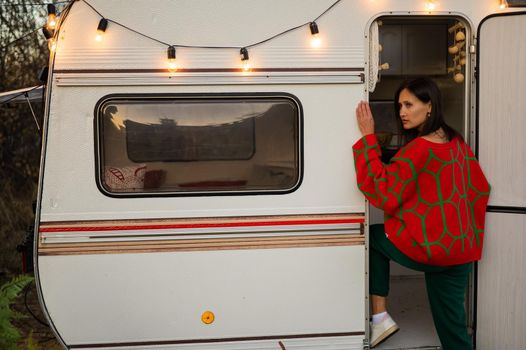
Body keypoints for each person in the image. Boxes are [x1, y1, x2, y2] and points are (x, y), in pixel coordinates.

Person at [352, 77, 490, 349]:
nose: (402, 112)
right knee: (454, 333)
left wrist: (368, 138)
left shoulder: (417, 150)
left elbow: (383, 192)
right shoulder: (458, 144)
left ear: (429, 106)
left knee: (374, 238)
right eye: (399, 105)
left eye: (408, 104)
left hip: (433, 251)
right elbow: (480, 187)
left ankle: (379, 318)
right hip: (460, 250)